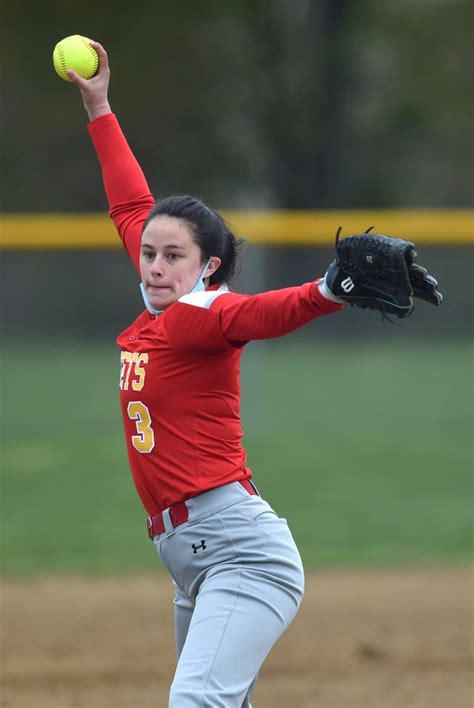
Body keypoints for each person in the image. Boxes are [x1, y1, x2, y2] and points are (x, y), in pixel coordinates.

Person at [68, 41, 345, 708]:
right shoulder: (157, 301)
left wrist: (332, 288)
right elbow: (129, 204)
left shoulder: (201, 315)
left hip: (240, 555)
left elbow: (263, 313)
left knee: (196, 702)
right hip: (193, 559)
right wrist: (100, 107)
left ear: (208, 267)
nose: (155, 265)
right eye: (149, 254)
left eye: (173, 257)